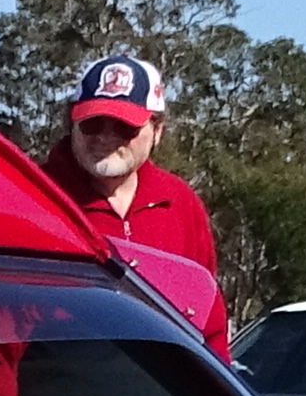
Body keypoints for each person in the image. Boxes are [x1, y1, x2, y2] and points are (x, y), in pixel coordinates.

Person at [44, 57, 230, 351]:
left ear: (157, 131)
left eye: (124, 127)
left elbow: (209, 320)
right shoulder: (37, 198)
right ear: (72, 125)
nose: (105, 137)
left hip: (164, 391)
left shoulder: (180, 203)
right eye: (92, 124)